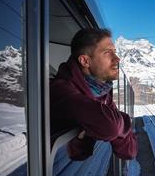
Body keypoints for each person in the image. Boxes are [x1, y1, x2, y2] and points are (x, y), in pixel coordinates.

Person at [50, 28, 137, 160]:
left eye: (115, 52)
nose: (117, 59)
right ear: (85, 61)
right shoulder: (62, 90)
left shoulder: (102, 94)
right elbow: (110, 127)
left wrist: (113, 120)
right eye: (108, 53)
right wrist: (124, 119)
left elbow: (129, 152)